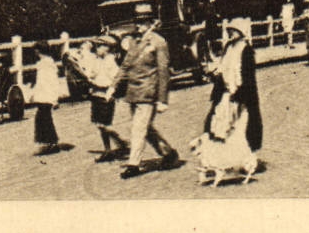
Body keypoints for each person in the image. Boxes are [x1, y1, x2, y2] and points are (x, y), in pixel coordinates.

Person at [192, 24, 262, 185]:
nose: (230, 33)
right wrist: (216, 75)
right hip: (225, 94)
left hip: (240, 96)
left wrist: (239, 94)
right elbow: (223, 68)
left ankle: (242, 160)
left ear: (241, 31)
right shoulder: (228, 47)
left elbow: (247, 76)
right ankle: (222, 161)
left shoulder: (246, 50)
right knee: (218, 127)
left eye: (234, 30)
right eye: (229, 31)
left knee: (238, 128)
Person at [118, 9, 179, 178]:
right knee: (146, 128)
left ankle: (133, 164)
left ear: (151, 22)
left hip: (148, 93)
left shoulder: (159, 42)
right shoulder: (136, 41)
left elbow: (163, 71)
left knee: (138, 129)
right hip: (134, 92)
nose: (139, 26)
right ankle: (168, 153)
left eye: (143, 22)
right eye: (137, 22)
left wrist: (162, 99)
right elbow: (128, 64)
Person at [82, 35, 127, 160]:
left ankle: (119, 143)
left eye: (100, 46)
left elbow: (116, 78)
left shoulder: (110, 61)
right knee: (99, 123)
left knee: (104, 123)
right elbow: (91, 73)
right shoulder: (97, 60)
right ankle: (108, 149)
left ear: (107, 48)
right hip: (96, 93)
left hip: (106, 94)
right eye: (97, 47)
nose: (97, 49)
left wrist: (112, 91)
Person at [26, 47, 68, 154]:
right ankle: (49, 143)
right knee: (43, 118)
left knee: (44, 118)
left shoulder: (47, 64)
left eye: (37, 51)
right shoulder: (43, 63)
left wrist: (54, 99)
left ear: (39, 51)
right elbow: (40, 82)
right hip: (42, 95)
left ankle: (52, 142)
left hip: (47, 96)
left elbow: (52, 82)